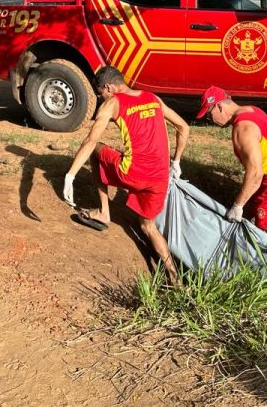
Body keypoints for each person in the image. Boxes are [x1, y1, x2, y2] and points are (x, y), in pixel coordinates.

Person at [63, 66, 189, 285]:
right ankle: (173, 275)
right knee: (147, 226)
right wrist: (175, 161)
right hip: (160, 177)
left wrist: (70, 175)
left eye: (101, 92)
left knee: (97, 150)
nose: (101, 97)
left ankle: (104, 213)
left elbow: (90, 141)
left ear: (109, 87)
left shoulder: (112, 103)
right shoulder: (153, 98)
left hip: (133, 172)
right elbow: (183, 126)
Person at [197, 86, 267, 238]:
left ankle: (263, 262)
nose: (209, 120)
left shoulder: (243, 128)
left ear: (219, 106)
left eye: (209, 115)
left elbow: (255, 173)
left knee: (263, 240)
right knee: (249, 221)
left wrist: (237, 206)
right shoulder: (250, 110)